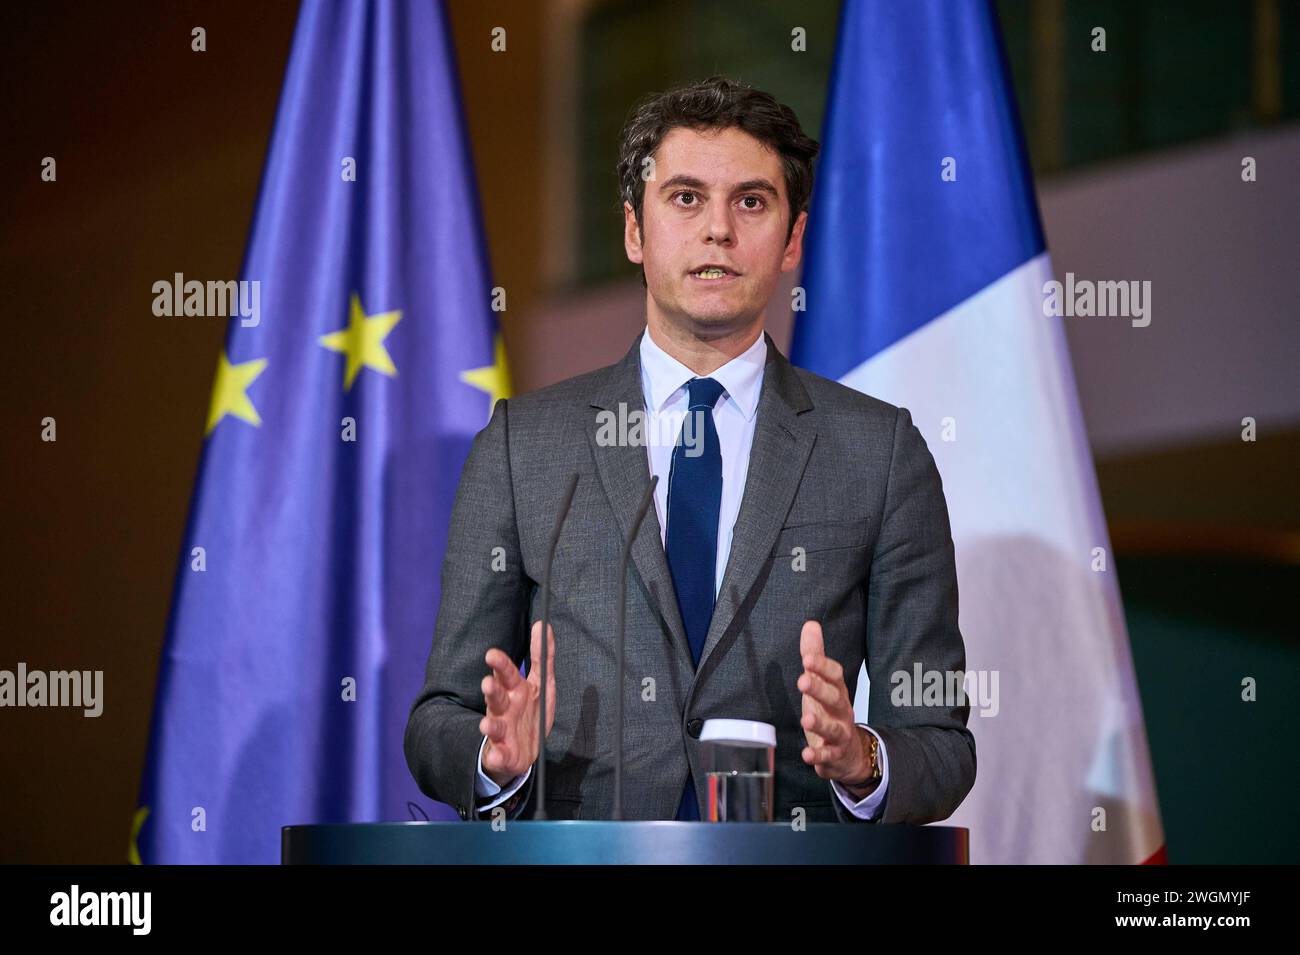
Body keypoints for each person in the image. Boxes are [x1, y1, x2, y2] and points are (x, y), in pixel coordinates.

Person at [404, 76, 975, 824]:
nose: (718, 231)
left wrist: (863, 756)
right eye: (684, 197)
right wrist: (492, 755)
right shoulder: (523, 445)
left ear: (794, 239)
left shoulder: (878, 451)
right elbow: (436, 718)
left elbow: (941, 741)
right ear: (635, 231)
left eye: (751, 201)